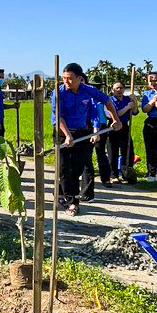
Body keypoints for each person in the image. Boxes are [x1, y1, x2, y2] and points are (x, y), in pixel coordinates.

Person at [52, 63, 122, 216]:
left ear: (80, 78)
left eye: (70, 79)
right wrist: (68, 136)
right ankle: (72, 202)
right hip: (62, 131)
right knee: (64, 168)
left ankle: (60, 193)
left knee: (77, 168)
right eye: (64, 78)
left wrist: (115, 119)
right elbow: (58, 117)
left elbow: (107, 101)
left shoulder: (88, 90)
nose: (66, 81)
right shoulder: (59, 92)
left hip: (82, 132)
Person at [107, 82, 138, 183]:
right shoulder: (110, 100)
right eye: (116, 88)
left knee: (128, 151)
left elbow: (135, 112)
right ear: (112, 90)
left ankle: (127, 173)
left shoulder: (128, 99)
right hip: (113, 126)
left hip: (125, 126)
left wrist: (134, 103)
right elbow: (115, 114)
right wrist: (127, 107)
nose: (119, 90)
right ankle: (113, 175)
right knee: (113, 151)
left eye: (121, 88)